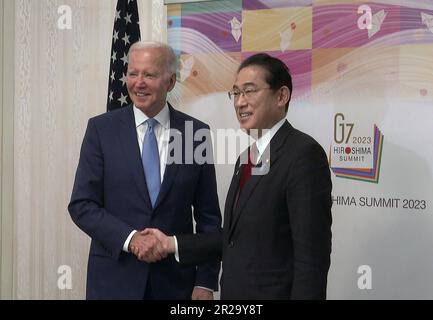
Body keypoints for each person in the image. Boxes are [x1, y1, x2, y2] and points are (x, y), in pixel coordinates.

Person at [143, 53, 333, 299]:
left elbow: (312, 260)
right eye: (235, 93)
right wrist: (171, 244)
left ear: (282, 96)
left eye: (250, 91)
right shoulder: (245, 157)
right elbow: (232, 239)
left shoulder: (303, 154)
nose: (240, 102)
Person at [68, 41, 221, 300]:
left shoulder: (195, 133)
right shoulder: (100, 130)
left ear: (170, 82)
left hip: (176, 285)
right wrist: (130, 239)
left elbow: (208, 218)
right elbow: (82, 204)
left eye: (149, 75)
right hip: (114, 282)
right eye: (133, 73)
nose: (138, 82)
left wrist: (205, 281)